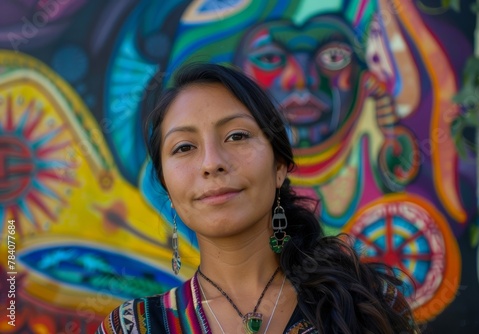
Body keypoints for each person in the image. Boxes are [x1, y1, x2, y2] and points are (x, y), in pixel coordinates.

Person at [97, 63, 419, 334]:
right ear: (167, 185)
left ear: (279, 166)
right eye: (184, 147)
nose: (212, 163)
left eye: (237, 136)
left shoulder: (367, 305)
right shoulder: (133, 328)